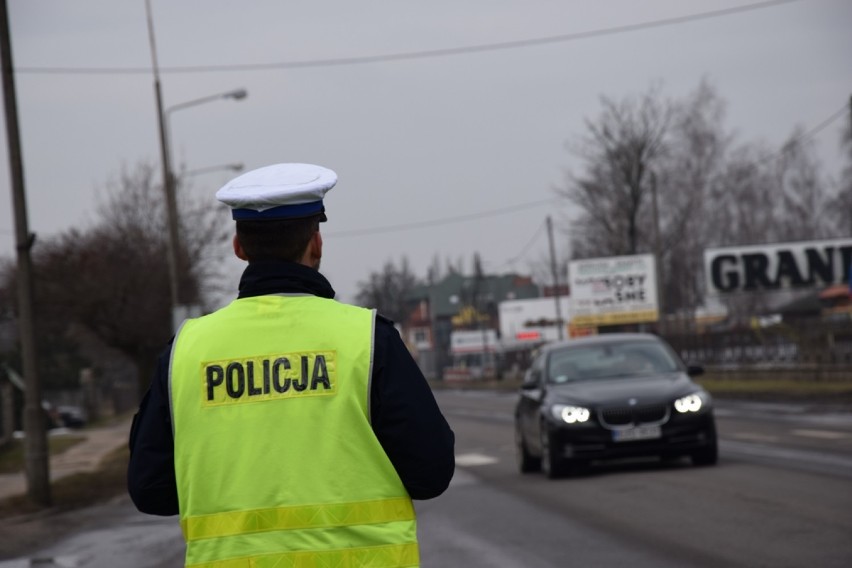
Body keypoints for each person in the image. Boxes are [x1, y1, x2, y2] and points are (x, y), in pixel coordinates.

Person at [127, 163, 455, 568]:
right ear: (316, 243)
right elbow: (432, 473)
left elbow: (151, 490)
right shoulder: (368, 340)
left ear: (239, 248)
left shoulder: (186, 351)